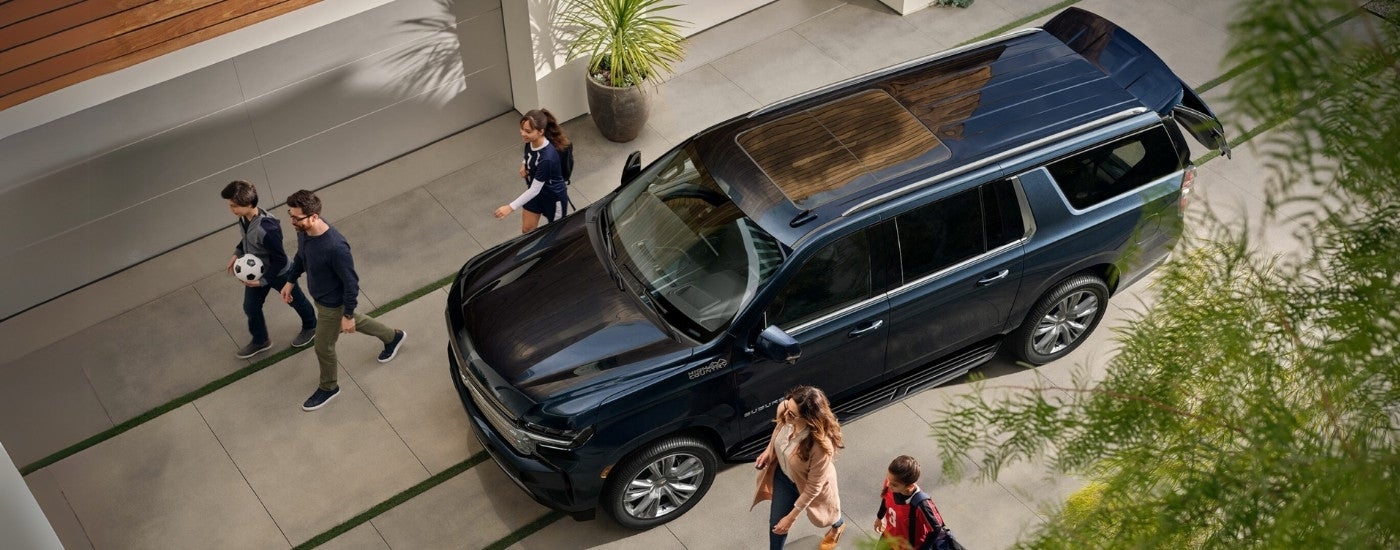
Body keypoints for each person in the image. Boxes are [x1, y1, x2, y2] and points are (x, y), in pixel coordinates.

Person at [279, 189, 406, 411]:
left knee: (323, 347)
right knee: (357, 321)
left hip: (332, 304)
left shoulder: (336, 248)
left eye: (296, 218)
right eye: (290, 215)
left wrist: (346, 314)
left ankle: (329, 387)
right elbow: (301, 255)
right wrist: (290, 281)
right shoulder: (304, 231)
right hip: (320, 297)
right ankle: (393, 337)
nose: (292, 222)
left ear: (314, 216)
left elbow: (351, 284)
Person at [221, 180, 317, 359]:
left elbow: (280, 259)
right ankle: (260, 340)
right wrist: (237, 253)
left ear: (249, 204)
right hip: (257, 272)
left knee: (296, 300)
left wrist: (262, 281)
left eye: (234, 206)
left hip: (279, 273)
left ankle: (311, 326)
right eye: (230, 205)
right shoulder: (244, 218)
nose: (231, 209)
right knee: (250, 307)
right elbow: (246, 239)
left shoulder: (268, 228)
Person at [752, 386, 847, 550]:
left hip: (812, 484)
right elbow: (778, 428)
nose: (786, 414)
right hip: (785, 478)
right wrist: (769, 450)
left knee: (827, 516)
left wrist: (791, 518)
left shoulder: (821, 447)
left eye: (792, 414)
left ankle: (838, 525)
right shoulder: (786, 409)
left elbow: (813, 487)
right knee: (776, 525)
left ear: (809, 419)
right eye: (787, 407)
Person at [493, 108, 572, 233]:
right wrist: (524, 163)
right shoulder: (530, 141)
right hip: (536, 195)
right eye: (522, 129)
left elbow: (535, 189)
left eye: (528, 131)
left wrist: (510, 207)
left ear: (541, 132)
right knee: (527, 230)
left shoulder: (547, 159)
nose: (523, 133)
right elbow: (530, 153)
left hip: (553, 197)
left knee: (555, 234)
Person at [873, 455, 957, 550]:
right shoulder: (891, 484)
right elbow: (886, 499)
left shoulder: (921, 504)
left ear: (910, 486)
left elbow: (935, 529)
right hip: (888, 538)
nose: (888, 484)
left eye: (894, 484)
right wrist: (879, 517)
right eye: (888, 479)